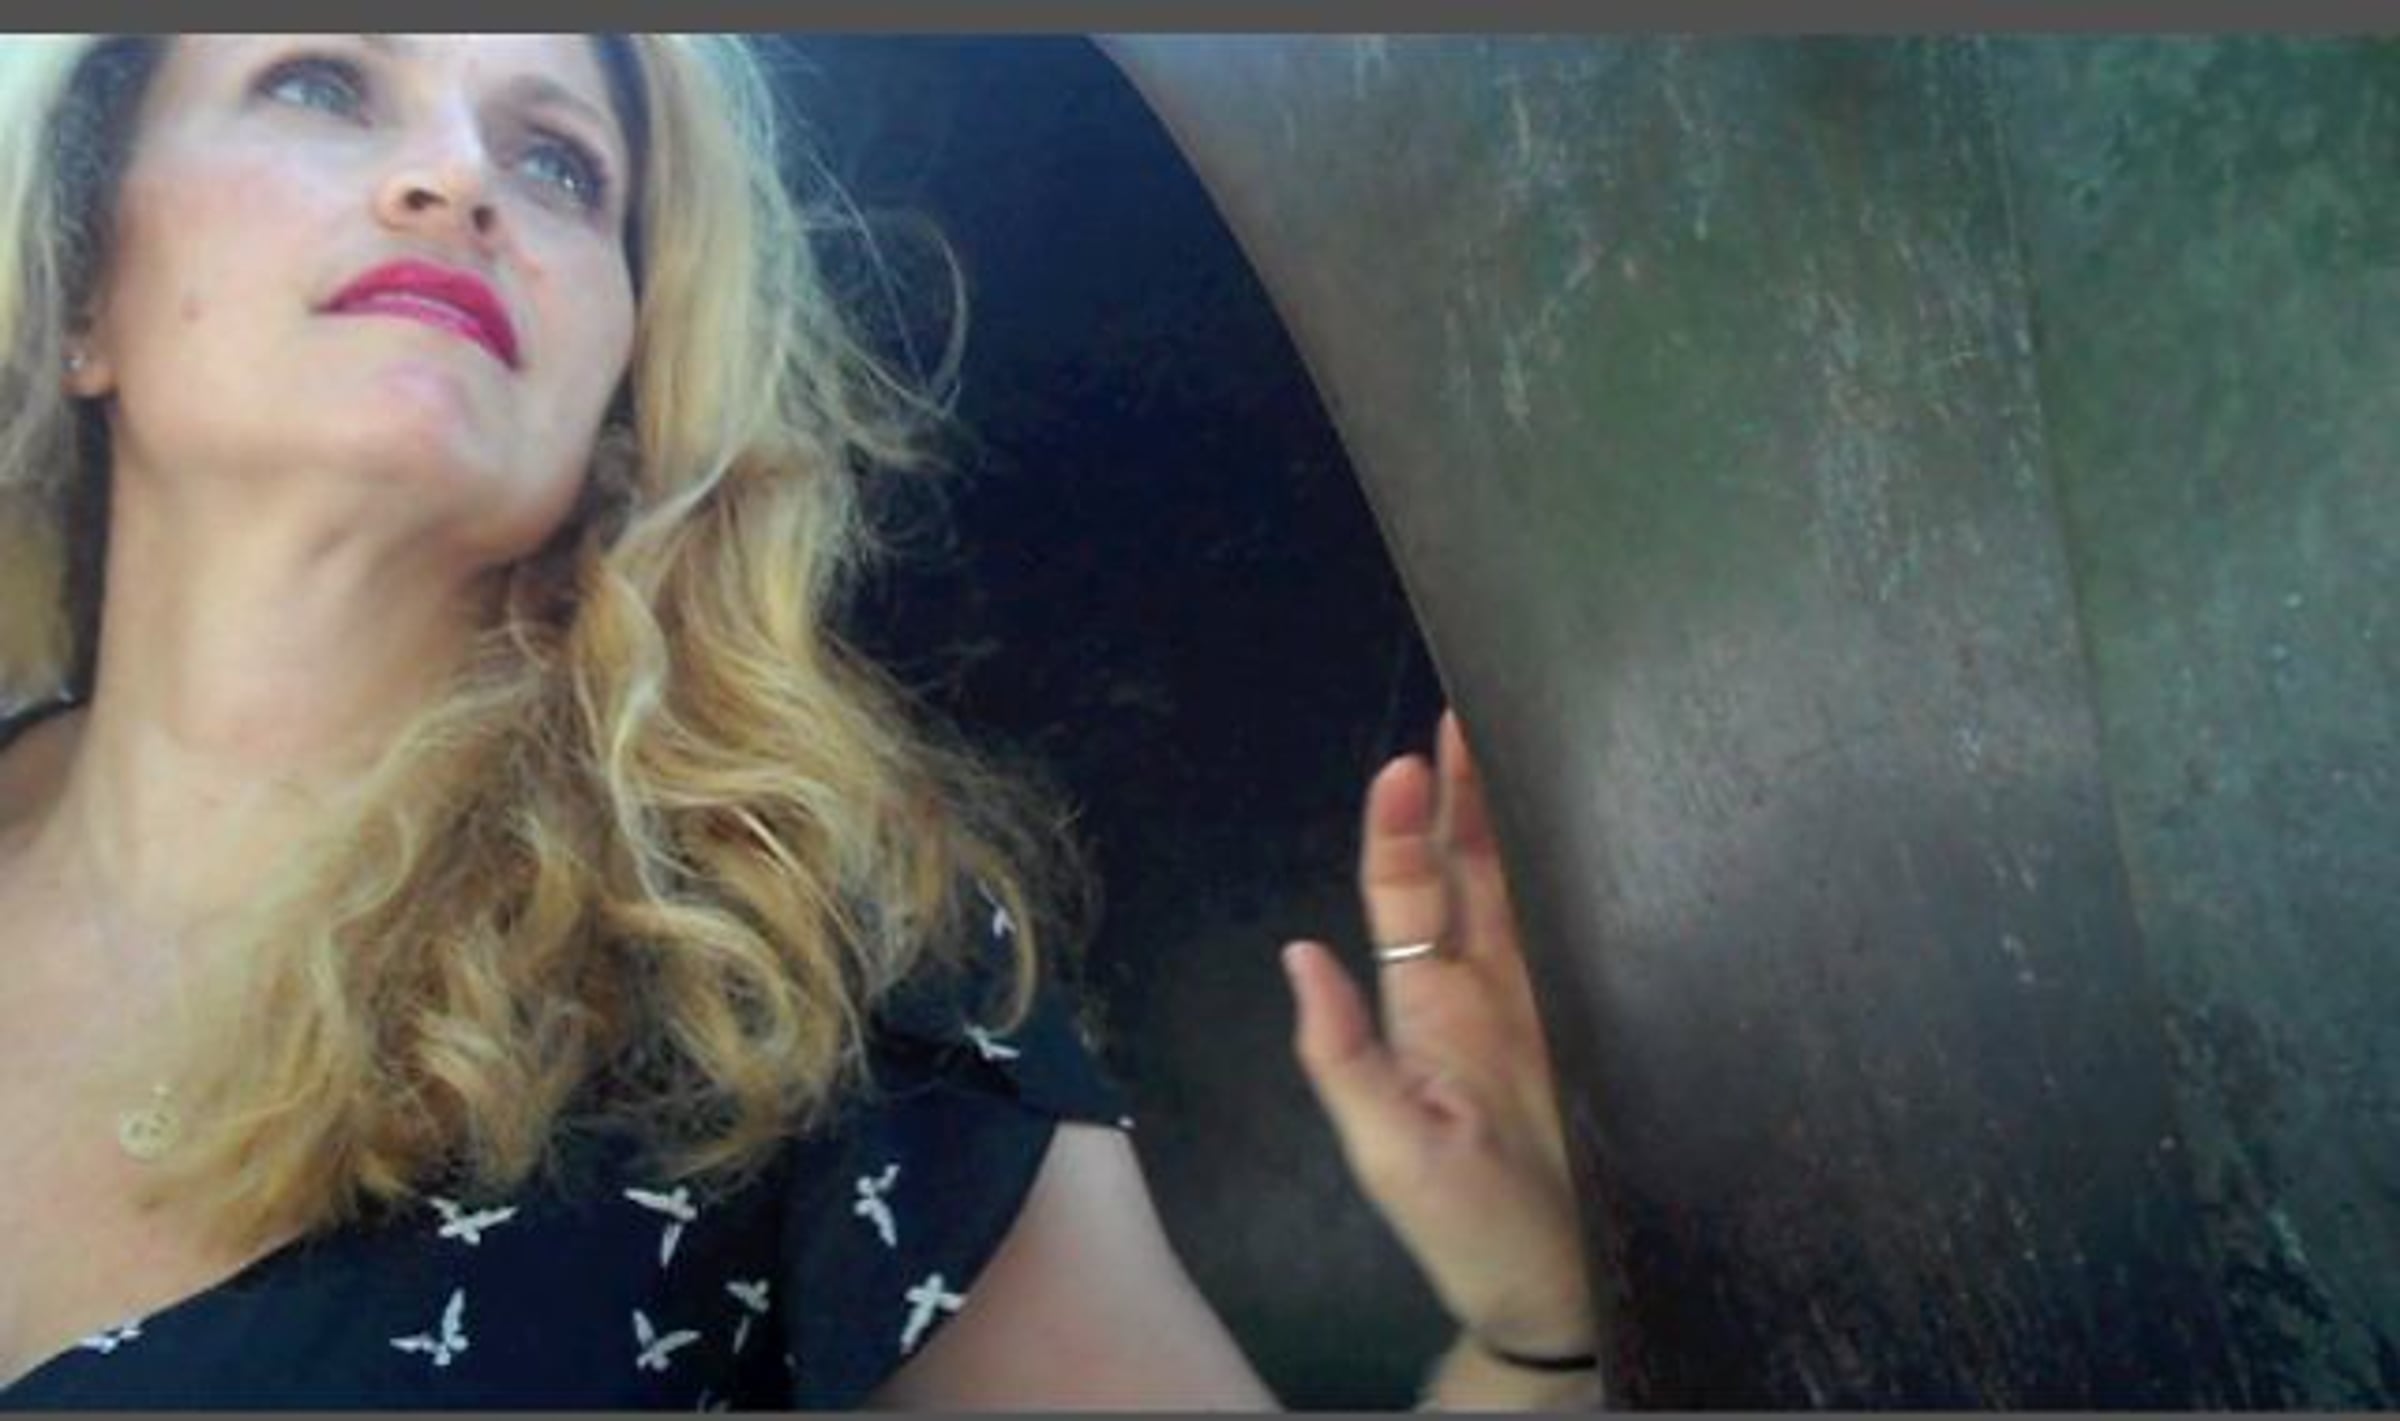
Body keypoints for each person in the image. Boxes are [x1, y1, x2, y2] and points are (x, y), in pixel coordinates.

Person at [0, 34, 1596, 1409]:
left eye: (559, 165)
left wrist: (1535, 1341)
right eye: (323, 83)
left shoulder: (798, 973)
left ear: (620, 386)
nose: (458, 178)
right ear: (85, 295)